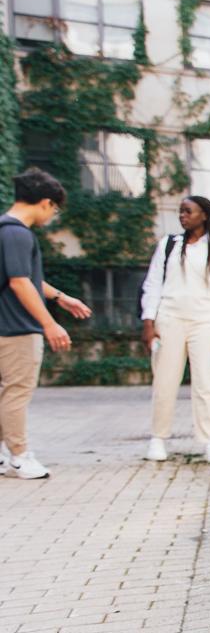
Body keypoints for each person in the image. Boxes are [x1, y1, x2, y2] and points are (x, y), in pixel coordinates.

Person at [0, 168, 92, 479]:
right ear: (44, 203)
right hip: (16, 330)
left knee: (7, 393)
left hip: (6, 326)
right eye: (54, 209)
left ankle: (5, 455)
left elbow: (28, 278)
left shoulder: (4, 230)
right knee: (16, 392)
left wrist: (60, 297)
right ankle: (19, 457)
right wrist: (50, 324)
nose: (53, 216)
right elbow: (19, 282)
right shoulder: (16, 233)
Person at [139, 196, 210, 463]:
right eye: (180, 212)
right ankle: (158, 439)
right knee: (164, 381)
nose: (182, 216)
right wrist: (149, 321)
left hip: (205, 321)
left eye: (188, 211)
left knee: (206, 384)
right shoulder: (169, 245)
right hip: (169, 319)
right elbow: (153, 284)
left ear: (204, 215)